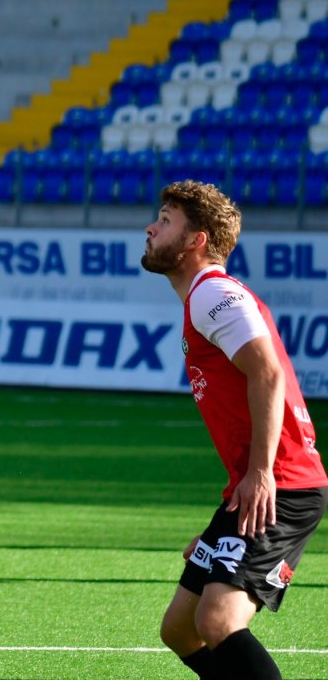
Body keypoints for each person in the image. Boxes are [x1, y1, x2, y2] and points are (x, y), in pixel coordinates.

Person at [144, 180, 327, 680]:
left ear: (195, 240)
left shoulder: (213, 292)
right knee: (180, 631)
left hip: (283, 484)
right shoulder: (205, 298)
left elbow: (267, 373)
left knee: (218, 620)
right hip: (252, 488)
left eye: (165, 220)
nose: (151, 228)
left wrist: (263, 472)